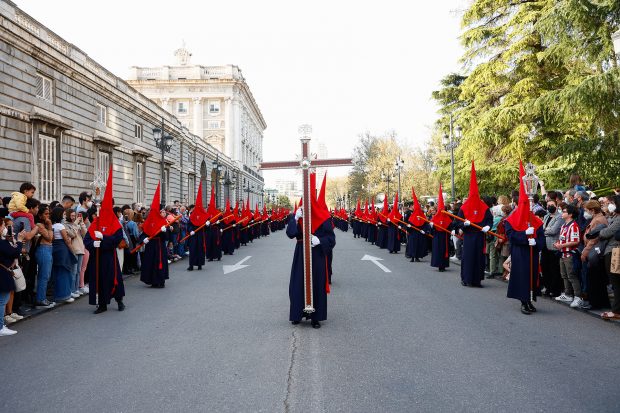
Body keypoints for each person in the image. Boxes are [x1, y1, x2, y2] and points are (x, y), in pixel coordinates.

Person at [287, 174, 335, 328]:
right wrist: (295, 218)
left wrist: (319, 240)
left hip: (316, 254)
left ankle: (316, 317)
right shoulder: (298, 214)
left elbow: (331, 239)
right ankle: (297, 314)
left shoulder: (324, 217)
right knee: (298, 283)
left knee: (316, 284)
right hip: (301, 253)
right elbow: (290, 233)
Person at [504, 163, 544, 314]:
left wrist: (536, 242)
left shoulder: (536, 220)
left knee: (532, 276)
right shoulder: (511, 220)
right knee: (522, 276)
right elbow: (511, 237)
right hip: (520, 252)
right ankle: (523, 301)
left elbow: (541, 236)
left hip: (532, 252)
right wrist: (525, 236)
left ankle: (530, 300)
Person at [83, 169, 125, 314]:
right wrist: (93, 244)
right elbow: (87, 239)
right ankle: (102, 304)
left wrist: (104, 238)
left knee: (114, 279)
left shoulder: (114, 222)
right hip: (97, 256)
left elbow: (118, 239)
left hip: (109, 257)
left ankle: (119, 300)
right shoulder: (97, 221)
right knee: (99, 280)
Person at [455, 161, 493, 287]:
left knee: (479, 258)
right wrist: (464, 224)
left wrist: (488, 226)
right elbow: (458, 222)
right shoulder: (464, 208)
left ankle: (477, 279)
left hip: (479, 235)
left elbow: (489, 219)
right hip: (469, 236)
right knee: (468, 258)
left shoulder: (484, 207)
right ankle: (465, 278)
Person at [138, 184, 169, 288]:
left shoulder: (164, 221)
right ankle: (152, 280)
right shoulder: (148, 221)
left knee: (160, 263)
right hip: (151, 245)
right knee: (151, 263)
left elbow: (167, 237)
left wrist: (165, 231)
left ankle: (160, 281)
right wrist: (144, 239)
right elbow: (142, 234)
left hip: (160, 245)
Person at [580, 200, 609, 310]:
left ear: (592, 210)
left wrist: (585, 252)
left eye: (587, 210)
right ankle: (600, 302)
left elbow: (593, 239)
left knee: (594, 279)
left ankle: (595, 302)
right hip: (594, 251)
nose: (585, 212)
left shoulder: (598, 220)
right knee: (597, 278)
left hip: (594, 251)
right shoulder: (597, 218)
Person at [554, 204, 583, 308]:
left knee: (572, 275)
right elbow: (562, 238)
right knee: (564, 275)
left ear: (570, 214)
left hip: (570, 254)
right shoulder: (564, 225)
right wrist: (558, 243)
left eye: (564, 211)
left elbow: (575, 241)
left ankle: (578, 297)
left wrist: (561, 245)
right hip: (562, 253)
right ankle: (568, 294)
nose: (562, 213)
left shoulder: (573, 225)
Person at [0, 219, 25, 336]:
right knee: (2, 301)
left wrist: (8, 240)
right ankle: (0, 327)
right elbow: (14, 253)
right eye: (4, 225)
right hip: (3, 273)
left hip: (4, 271)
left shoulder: (2, 241)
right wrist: (19, 241)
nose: (5, 228)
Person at [50, 207, 77, 304]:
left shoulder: (52, 225)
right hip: (62, 249)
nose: (65, 216)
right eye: (64, 214)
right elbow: (66, 240)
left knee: (56, 273)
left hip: (54, 248)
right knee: (64, 272)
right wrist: (72, 250)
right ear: (60, 215)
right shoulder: (61, 226)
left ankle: (57, 295)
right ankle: (64, 295)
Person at [599, 195, 620, 319]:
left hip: (614, 252)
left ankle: (616, 310)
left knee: (616, 282)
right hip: (611, 250)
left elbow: (605, 233)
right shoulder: (615, 217)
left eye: (612, 203)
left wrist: (602, 231)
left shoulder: (618, 219)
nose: (609, 205)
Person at [34, 204, 55, 308]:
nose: (48, 216)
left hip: (48, 249)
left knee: (47, 275)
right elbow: (49, 238)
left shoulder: (45, 225)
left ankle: (42, 297)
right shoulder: (39, 225)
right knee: (44, 275)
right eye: (46, 214)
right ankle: (40, 299)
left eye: (49, 214)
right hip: (43, 249)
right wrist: (50, 225)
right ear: (40, 215)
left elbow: (52, 237)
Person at [64, 208, 87, 298]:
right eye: (72, 215)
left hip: (81, 248)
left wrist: (81, 223)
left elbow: (85, 234)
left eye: (75, 216)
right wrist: (76, 223)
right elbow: (72, 234)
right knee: (73, 271)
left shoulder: (77, 224)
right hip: (73, 249)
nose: (74, 217)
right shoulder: (65, 225)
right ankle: (72, 290)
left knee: (78, 271)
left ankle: (76, 289)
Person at [407, 188, 430, 263]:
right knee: (412, 245)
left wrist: (425, 231)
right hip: (413, 233)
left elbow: (426, 224)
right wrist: (408, 227)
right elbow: (409, 224)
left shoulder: (422, 215)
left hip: (420, 233)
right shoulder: (411, 216)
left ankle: (417, 257)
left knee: (419, 245)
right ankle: (412, 257)